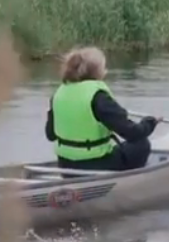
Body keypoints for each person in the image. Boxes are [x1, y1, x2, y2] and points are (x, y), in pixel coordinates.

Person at [44, 46, 158, 175]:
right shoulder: (98, 97)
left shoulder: (58, 95)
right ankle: (133, 179)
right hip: (96, 165)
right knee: (141, 143)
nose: (106, 71)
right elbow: (132, 133)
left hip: (66, 166)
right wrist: (149, 123)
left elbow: (50, 135)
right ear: (97, 72)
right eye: (104, 67)